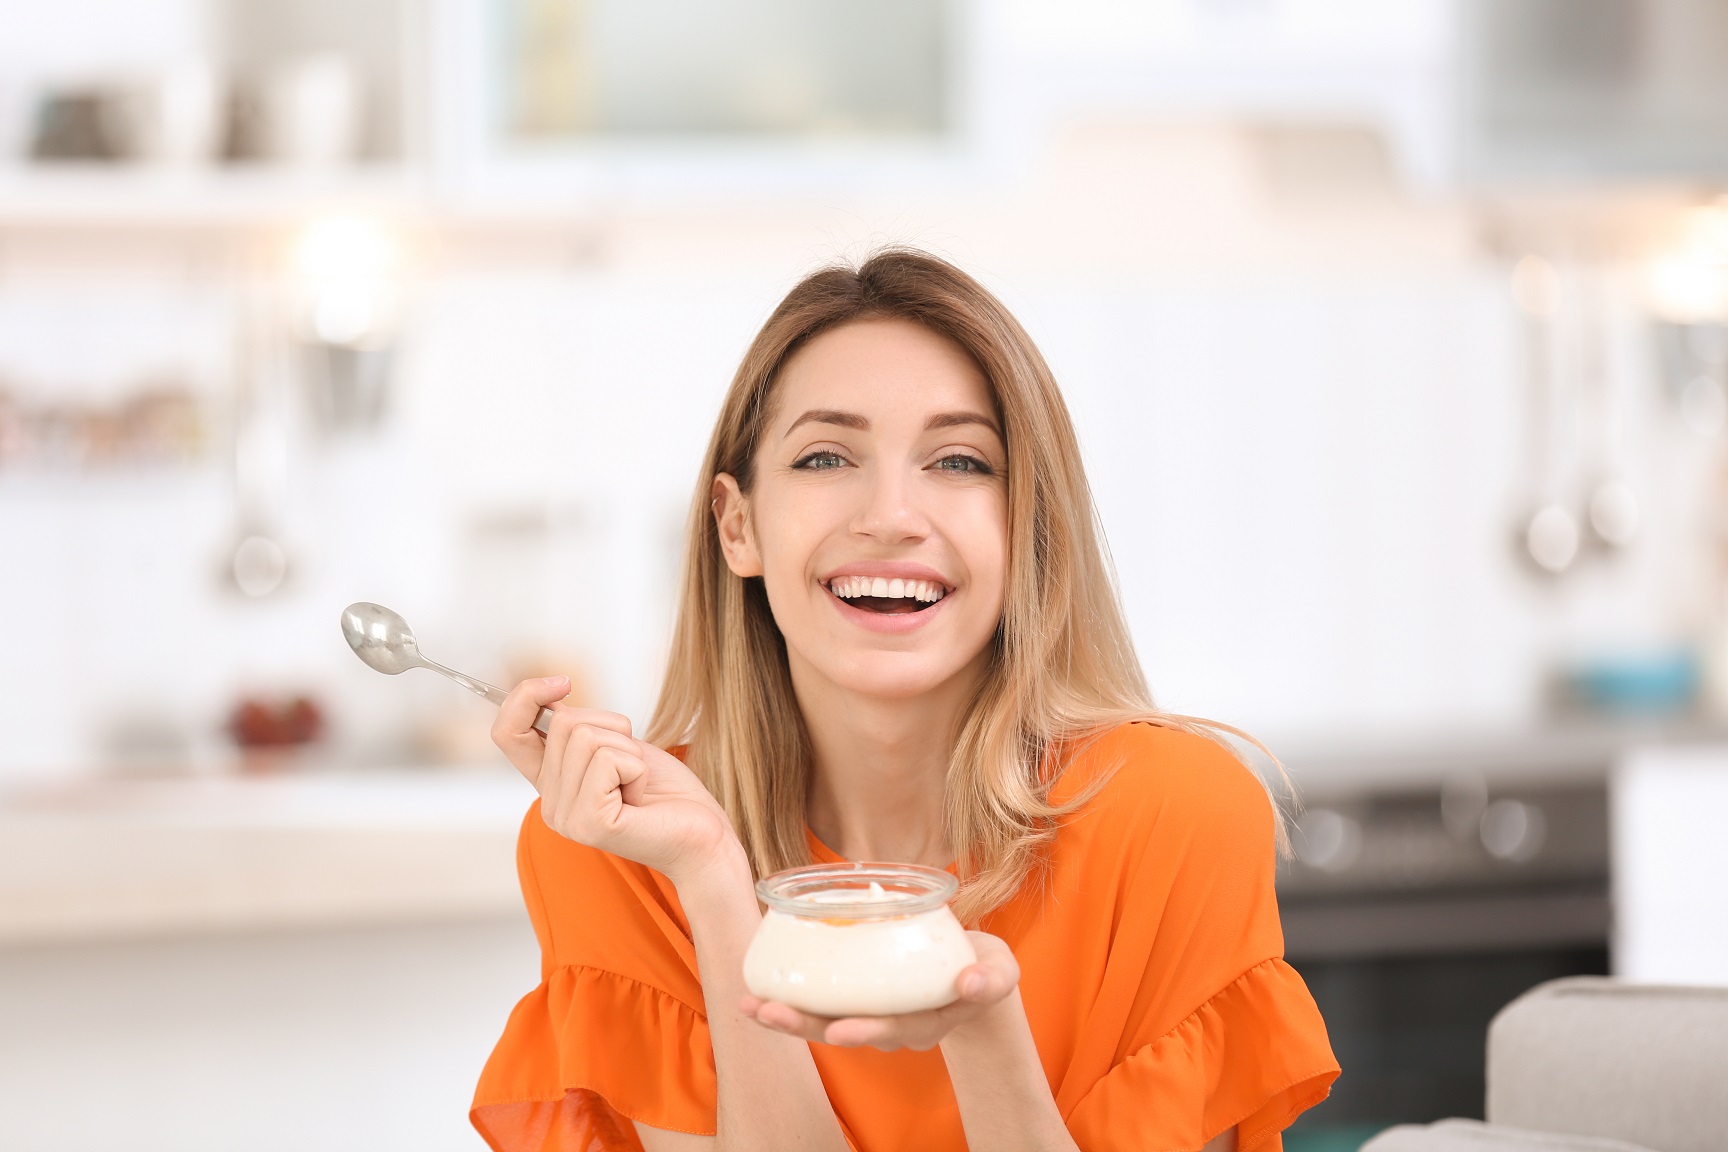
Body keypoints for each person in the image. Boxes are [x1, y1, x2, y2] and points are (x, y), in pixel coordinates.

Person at [471, 250, 1339, 1151]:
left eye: (959, 461)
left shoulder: (1178, 815)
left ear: (1025, 528)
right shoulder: (625, 846)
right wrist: (713, 880)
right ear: (739, 526)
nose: (891, 513)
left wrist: (981, 1028)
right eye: (824, 456)